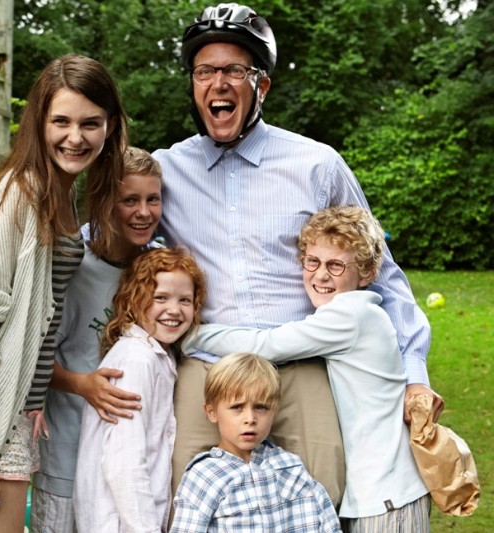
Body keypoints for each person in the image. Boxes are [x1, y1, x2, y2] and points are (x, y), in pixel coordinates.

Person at [152, 2, 443, 503]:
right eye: (205, 72)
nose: (218, 83)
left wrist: (414, 375)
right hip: (209, 364)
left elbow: (382, 272)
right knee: (186, 497)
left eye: (234, 71)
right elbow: (109, 238)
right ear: (193, 85)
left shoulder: (317, 165)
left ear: (261, 85)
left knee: (324, 491)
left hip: (301, 359)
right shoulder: (166, 170)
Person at [0, 54, 128, 533]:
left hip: (18, 408)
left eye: (90, 123)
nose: (75, 137)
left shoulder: (61, 191)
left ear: (110, 126)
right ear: (39, 121)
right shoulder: (21, 192)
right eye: (61, 122)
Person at [186, 206, 431, 531]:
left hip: (387, 495)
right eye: (312, 261)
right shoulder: (361, 313)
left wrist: (190, 335)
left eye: (336, 265)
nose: (321, 275)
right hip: (381, 492)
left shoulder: (350, 316)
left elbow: (266, 344)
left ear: (367, 273)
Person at [31, 146, 163, 533]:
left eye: (153, 199)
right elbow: (33, 358)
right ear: (104, 202)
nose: (144, 212)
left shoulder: (160, 267)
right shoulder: (74, 268)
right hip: (67, 457)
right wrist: (82, 384)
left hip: (132, 463)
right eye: (129, 200)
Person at [73, 248, 207, 533]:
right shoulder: (137, 359)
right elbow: (124, 460)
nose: (174, 309)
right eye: (160, 297)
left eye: (184, 300)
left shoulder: (160, 354)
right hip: (120, 522)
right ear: (134, 300)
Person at [171, 353, 341, 532]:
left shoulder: (291, 467)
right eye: (237, 407)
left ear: (274, 412)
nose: (250, 419)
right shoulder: (203, 476)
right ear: (212, 412)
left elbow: (328, 523)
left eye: (261, 407)